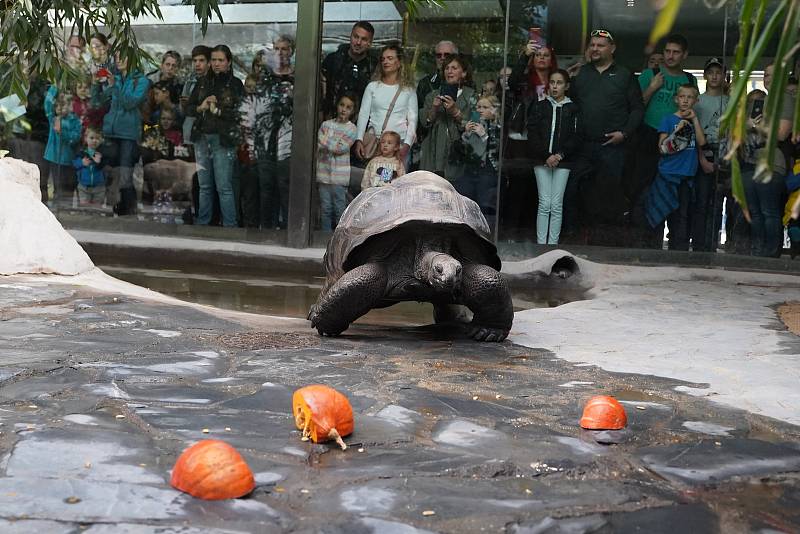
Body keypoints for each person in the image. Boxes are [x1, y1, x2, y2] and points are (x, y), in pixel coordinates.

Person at [570, 29, 643, 231]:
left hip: (613, 147)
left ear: (612, 48)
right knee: (576, 193)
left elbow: (637, 109)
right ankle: (580, 241)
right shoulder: (580, 74)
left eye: (600, 45)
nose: (595, 49)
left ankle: (607, 244)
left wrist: (625, 133)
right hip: (583, 146)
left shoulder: (625, 75)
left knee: (610, 196)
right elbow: (570, 107)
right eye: (592, 45)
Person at [633, 34, 696, 215]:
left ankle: (673, 237)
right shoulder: (650, 74)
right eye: (667, 51)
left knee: (674, 190)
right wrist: (652, 87)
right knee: (643, 186)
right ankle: (640, 235)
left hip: (678, 138)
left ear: (684, 55)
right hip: (648, 134)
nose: (670, 55)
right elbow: (635, 108)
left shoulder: (690, 81)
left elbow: (693, 110)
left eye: (676, 52)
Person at [739, 64, 795, 257]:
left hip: (772, 161)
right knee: (754, 211)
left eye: (772, 75)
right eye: (765, 74)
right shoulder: (760, 101)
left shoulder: (785, 99)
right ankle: (757, 251)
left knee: (769, 211)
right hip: (750, 159)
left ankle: (770, 254)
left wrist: (757, 126)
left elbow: (781, 134)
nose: (768, 78)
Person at [643, 83, 706, 250]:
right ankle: (654, 250)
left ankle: (678, 250)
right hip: (667, 173)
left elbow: (702, 142)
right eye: (682, 97)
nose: (685, 100)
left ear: (696, 100)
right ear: (676, 99)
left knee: (681, 216)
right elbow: (662, 148)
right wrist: (677, 133)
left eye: (690, 97)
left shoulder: (693, 122)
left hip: (686, 176)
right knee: (660, 212)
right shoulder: (668, 119)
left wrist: (694, 120)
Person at [186, 44, 243, 227]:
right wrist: (201, 106)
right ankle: (203, 224)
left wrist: (217, 109)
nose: (216, 64)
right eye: (214, 60)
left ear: (229, 62)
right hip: (202, 137)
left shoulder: (235, 84)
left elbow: (240, 114)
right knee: (204, 186)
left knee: (224, 187)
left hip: (223, 139)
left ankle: (230, 226)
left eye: (221, 60)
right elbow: (187, 108)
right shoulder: (203, 82)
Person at [241, 36, 294, 229]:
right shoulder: (264, 78)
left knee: (285, 188)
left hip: (288, 143)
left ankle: (289, 231)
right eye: (277, 49)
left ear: (292, 51)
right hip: (264, 142)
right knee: (266, 189)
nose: (280, 52)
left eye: (285, 49)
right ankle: (266, 231)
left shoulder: (299, 78)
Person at [528, 69, 581, 245]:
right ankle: (541, 244)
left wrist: (559, 155)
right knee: (544, 203)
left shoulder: (573, 108)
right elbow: (533, 133)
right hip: (541, 160)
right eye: (552, 82)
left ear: (566, 86)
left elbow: (576, 136)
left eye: (559, 83)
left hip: (563, 161)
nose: (555, 86)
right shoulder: (540, 106)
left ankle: (552, 245)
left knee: (556, 204)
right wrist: (546, 155)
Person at [96, 51, 151, 215]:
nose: (118, 60)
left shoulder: (141, 81)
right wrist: (98, 84)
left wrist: (117, 85)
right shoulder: (116, 77)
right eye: (117, 57)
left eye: (123, 56)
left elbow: (129, 103)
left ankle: (128, 208)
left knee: (126, 172)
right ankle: (112, 204)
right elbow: (99, 101)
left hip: (128, 134)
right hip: (110, 132)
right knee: (108, 170)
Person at [354, 45, 417, 169]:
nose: (385, 62)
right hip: (375, 144)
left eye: (390, 58)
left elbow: (413, 120)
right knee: (373, 182)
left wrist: (407, 145)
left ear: (399, 63)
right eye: (383, 59)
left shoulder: (408, 90)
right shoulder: (372, 87)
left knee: (397, 185)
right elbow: (363, 114)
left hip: (398, 146)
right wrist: (359, 139)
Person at [692, 57, 729, 252]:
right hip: (703, 151)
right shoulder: (697, 101)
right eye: (711, 72)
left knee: (718, 203)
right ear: (705, 75)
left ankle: (711, 247)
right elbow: (692, 133)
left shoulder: (731, 101)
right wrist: (701, 158)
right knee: (701, 201)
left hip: (725, 153)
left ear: (724, 76)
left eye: (719, 72)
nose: (714, 76)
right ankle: (699, 247)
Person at [419, 54, 475, 181]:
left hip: (457, 159)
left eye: (454, 68)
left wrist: (455, 112)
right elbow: (424, 123)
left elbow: (474, 127)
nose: (449, 71)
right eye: (447, 68)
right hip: (432, 157)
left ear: (464, 73)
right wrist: (434, 108)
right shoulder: (432, 95)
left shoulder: (472, 96)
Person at [457, 94, 502, 228]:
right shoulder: (473, 125)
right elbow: (460, 153)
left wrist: (484, 135)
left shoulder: (497, 127)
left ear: (494, 110)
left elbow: (498, 151)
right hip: (470, 170)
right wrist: (466, 135)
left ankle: (485, 232)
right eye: (478, 107)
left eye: (485, 107)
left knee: (485, 205)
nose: (480, 110)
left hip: (488, 171)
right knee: (466, 204)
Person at [316, 93, 358, 231]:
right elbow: (320, 145)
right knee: (326, 210)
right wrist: (333, 142)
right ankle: (324, 240)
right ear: (337, 105)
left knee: (340, 210)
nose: (344, 109)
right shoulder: (326, 125)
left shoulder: (351, 129)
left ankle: (339, 241)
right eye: (342, 105)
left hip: (340, 178)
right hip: (323, 175)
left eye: (348, 107)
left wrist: (325, 141)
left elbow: (340, 148)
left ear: (352, 111)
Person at [320, 21, 377, 119]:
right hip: (332, 121)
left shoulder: (374, 66)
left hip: (362, 123)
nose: (358, 42)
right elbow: (320, 91)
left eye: (363, 39)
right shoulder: (333, 60)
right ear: (350, 37)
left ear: (370, 43)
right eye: (356, 37)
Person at [44, 89, 82, 206]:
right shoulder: (53, 118)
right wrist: (55, 86)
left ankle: (66, 209)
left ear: (70, 105)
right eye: (57, 106)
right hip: (54, 158)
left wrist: (62, 133)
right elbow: (48, 103)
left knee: (68, 187)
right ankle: (56, 209)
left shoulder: (74, 120)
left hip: (68, 159)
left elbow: (75, 138)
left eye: (63, 105)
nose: (59, 108)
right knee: (57, 185)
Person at [181, 45, 211, 147]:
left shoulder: (213, 82)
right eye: (195, 61)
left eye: (201, 60)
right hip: (189, 129)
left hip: (206, 131)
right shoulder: (190, 81)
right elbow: (185, 109)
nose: (197, 64)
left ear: (209, 62)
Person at [416, 41, 459, 111]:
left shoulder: (464, 82)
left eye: (446, 55)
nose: (442, 58)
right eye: (439, 55)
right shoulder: (424, 83)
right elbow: (419, 112)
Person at [73, 126, 106, 206]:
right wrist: (81, 163)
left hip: (99, 187)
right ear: (86, 138)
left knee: (97, 209)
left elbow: (105, 167)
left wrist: (99, 162)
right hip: (84, 186)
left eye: (97, 138)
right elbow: (74, 164)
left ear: (101, 140)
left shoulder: (102, 154)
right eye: (91, 138)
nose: (94, 140)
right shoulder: (81, 153)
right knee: (84, 208)